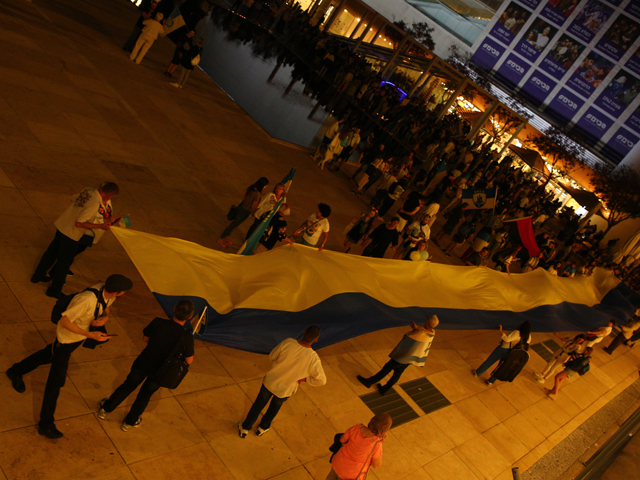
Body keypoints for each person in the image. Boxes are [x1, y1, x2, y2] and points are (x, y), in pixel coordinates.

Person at [6, 274, 133, 438]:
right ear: (117, 292)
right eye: (124, 292)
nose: (124, 295)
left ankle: (15, 370)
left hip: (76, 338)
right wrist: (89, 334)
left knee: (48, 353)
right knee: (55, 382)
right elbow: (64, 321)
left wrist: (105, 318)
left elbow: (107, 306)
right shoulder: (87, 299)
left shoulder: (106, 290)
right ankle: (46, 424)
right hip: (66, 339)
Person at [97, 299, 195, 431]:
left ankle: (106, 409)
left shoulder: (158, 322)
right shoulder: (187, 337)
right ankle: (129, 422)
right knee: (144, 396)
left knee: (127, 386)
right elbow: (189, 361)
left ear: (174, 309)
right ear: (190, 316)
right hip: (160, 372)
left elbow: (145, 338)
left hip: (144, 362)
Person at [31, 182, 121, 299]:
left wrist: (106, 218)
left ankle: (38, 275)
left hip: (63, 225)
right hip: (71, 234)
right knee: (64, 263)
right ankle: (54, 290)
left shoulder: (88, 190)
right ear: (109, 195)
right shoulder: (94, 204)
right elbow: (79, 223)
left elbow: (74, 198)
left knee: (51, 252)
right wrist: (100, 226)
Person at [239, 326, 326, 437]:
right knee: (275, 407)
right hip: (286, 389)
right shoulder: (313, 358)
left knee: (258, 404)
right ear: (315, 340)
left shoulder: (288, 342)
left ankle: (245, 428)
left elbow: (272, 357)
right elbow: (322, 380)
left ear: (304, 332)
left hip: (271, 382)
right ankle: (263, 427)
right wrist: (305, 379)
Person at [357, 315, 438, 395]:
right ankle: (385, 389)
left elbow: (409, 336)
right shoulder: (432, 333)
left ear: (427, 322)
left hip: (403, 356)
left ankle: (369, 382)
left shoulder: (421, 332)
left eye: (427, 319)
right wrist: (416, 329)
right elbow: (420, 335)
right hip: (411, 358)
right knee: (397, 373)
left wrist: (414, 330)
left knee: (387, 368)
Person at [326, 413, 391, 480]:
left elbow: (342, 440)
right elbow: (376, 465)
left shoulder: (357, 427)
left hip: (338, 462)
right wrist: (380, 443)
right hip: (351, 474)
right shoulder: (376, 444)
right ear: (384, 431)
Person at [473, 321, 532, 385]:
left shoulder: (517, 333)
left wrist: (501, 331)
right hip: (512, 354)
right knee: (502, 367)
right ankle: (490, 381)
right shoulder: (529, 337)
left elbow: (507, 339)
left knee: (490, 361)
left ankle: (478, 372)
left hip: (504, 349)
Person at [218, 177, 269, 248]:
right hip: (245, 211)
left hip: (241, 206)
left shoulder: (252, 187)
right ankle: (221, 238)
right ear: (263, 185)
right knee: (233, 225)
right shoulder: (257, 194)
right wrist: (253, 212)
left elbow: (243, 193)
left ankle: (226, 236)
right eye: (265, 185)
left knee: (234, 223)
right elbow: (254, 205)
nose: (266, 187)